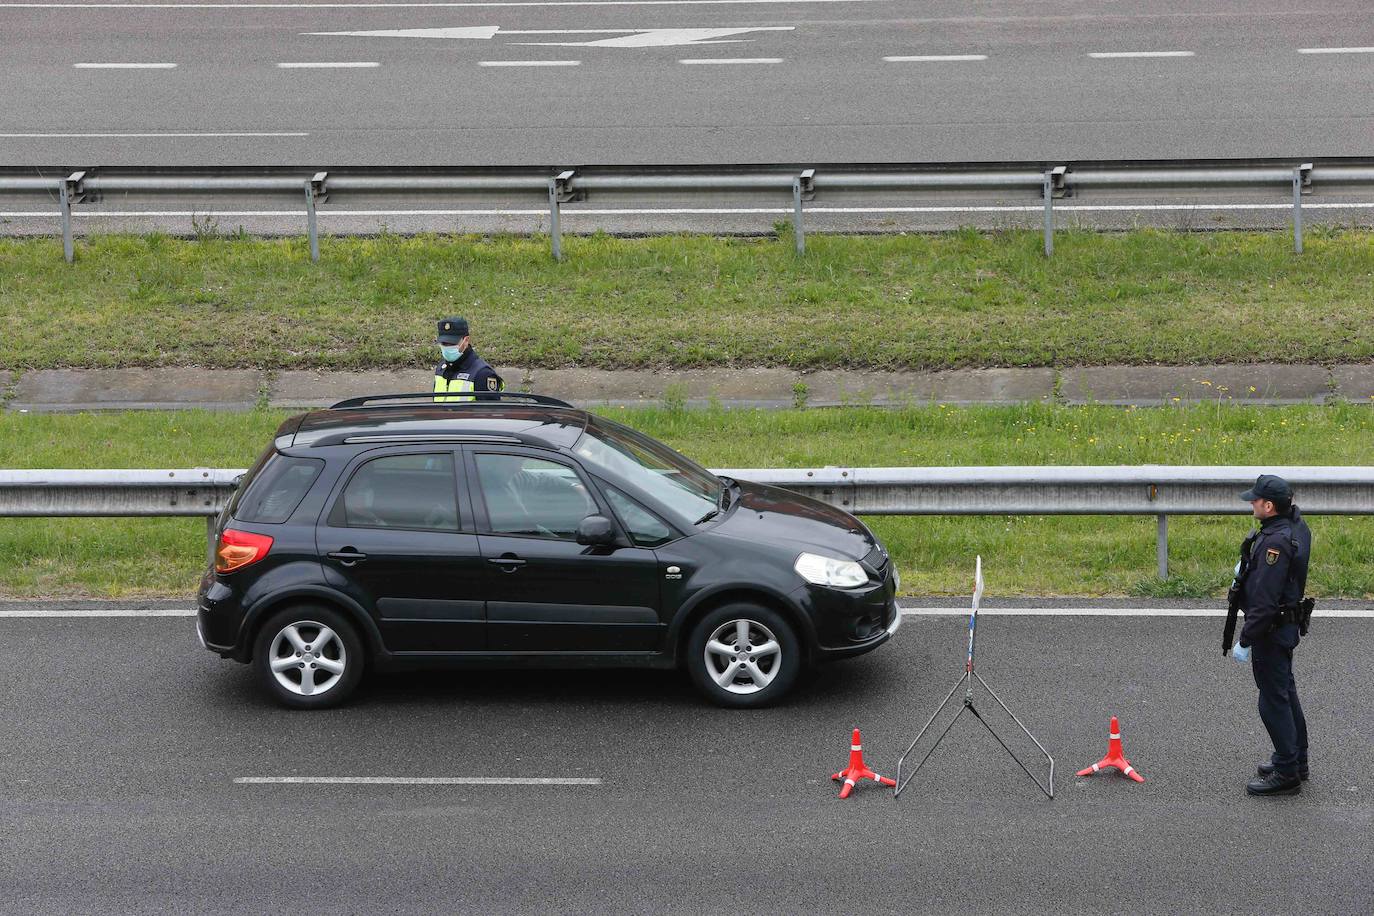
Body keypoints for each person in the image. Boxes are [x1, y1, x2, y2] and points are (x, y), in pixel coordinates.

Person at [1227, 474, 1312, 797]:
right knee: (1285, 693)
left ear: (1269, 505)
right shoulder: (1296, 527)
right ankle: (1295, 759)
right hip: (1285, 626)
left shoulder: (1274, 543)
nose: (1251, 504)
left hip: (1271, 631)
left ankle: (1287, 773)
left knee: (1272, 701)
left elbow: (1264, 599)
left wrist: (1246, 639)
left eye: (1255, 500)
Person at [433, 317, 503, 402]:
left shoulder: (482, 374)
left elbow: (490, 412)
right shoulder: (441, 369)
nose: (447, 347)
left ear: (466, 340)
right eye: (444, 343)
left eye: (452, 343)